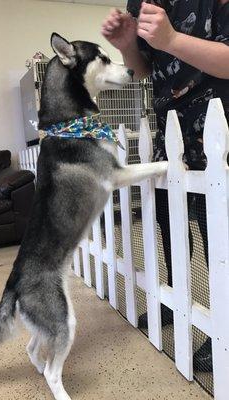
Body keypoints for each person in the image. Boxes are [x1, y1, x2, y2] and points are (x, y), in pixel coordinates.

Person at [101, 0, 229, 372]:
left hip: (217, 127)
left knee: (217, 233)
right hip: (170, 126)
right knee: (169, 224)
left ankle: (224, 325)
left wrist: (171, 39)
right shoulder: (141, 1)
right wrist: (127, 45)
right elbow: (144, 70)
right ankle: (177, 297)